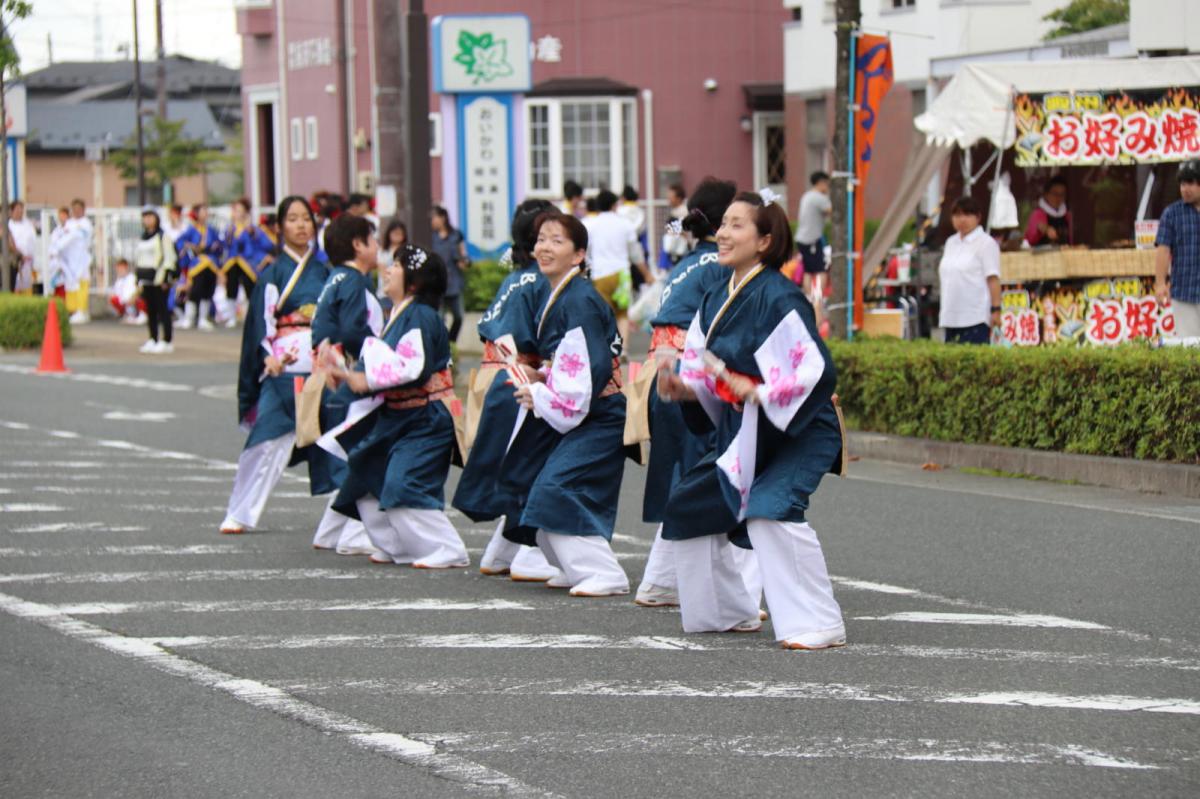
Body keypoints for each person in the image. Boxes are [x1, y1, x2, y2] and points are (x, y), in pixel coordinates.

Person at [657, 191, 846, 649]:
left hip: (801, 428)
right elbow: (704, 374)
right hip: (748, 431)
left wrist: (759, 390)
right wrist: (683, 387)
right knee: (688, 504)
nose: (722, 233)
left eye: (737, 225)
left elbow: (813, 371)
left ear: (765, 240)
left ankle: (819, 621)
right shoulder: (713, 297)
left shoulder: (780, 296)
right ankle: (729, 610)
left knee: (769, 508)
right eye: (722, 224)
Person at [635, 177, 759, 609]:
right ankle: (736, 590)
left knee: (690, 483)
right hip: (693, 379)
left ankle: (661, 582)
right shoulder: (722, 268)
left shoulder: (689, 262)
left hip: (665, 375)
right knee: (721, 482)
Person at [500, 210, 630, 597]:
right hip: (588, 408)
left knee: (557, 486)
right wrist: (542, 379)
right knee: (544, 482)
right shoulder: (565, 296)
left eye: (557, 240)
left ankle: (605, 572)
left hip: (599, 412)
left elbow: (586, 372)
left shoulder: (579, 300)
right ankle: (573, 566)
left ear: (579, 255)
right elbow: (573, 365)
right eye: (541, 239)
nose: (544, 247)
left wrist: (541, 393)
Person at [329, 244, 469, 569]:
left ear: (415, 281)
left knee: (404, 483)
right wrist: (348, 374)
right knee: (364, 477)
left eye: (396, 265)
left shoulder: (420, 315)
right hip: (398, 414)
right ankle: (399, 545)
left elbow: (411, 367)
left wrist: (364, 380)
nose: (388, 269)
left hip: (425, 416)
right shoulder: (399, 314)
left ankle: (447, 548)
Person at [453, 199, 559, 583]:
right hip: (519, 377)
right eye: (552, 233)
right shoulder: (541, 280)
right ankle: (531, 552)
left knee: (517, 465)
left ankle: (502, 550)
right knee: (533, 465)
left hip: (493, 377)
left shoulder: (514, 277)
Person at [219, 196, 332, 536]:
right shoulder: (273, 273)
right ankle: (240, 511)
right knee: (265, 440)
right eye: (293, 219)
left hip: (320, 368)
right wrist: (267, 354)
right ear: (281, 226)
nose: (301, 225)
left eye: (306, 219)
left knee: (335, 444)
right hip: (284, 369)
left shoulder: (326, 272)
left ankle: (344, 525)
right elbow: (260, 323)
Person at [309, 212, 385, 554]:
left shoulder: (334, 279)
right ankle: (356, 535)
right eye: (373, 239)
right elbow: (355, 330)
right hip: (352, 378)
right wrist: (382, 355)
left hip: (330, 376)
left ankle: (329, 531)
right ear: (358, 244)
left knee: (357, 454)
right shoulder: (355, 281)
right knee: (366, 456)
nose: (378, 246)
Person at [586, 189, 650, 343]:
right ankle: (624, 349)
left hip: (600, 274)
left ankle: (608, 349)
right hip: (622, 274)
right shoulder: (625, 224)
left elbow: (586, 251)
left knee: (603, 315)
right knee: (622, 314)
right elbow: (635, 253)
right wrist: (646, 273)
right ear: (615, 205)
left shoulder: (591, 224)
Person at [938, 196, 1001, 344]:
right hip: (951, 317)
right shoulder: (950, 243)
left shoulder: (986, 243)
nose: (962, 219)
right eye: (958, 215)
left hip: (975, 318)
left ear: (978, 217)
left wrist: (996, 310)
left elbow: (993, 279)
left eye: (967, 214)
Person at [1155, 159, 1200, 344]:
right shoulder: (1171, 214)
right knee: (1189, 347)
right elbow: (1163, 250)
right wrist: (1160, 283)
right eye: (1182, 183)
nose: (1185, 189)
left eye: (1190, 183)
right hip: (1184, 291)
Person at [134, 208, 178, 354]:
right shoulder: (143, 237)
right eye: (144, 217)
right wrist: (138, 277)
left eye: (149, 216)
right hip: (146, 279)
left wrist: (167, 277)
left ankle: (167, 340)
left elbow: (169, 257)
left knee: (163, 310)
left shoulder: (162, 236)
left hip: (159, 279)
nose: (147, 220)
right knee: (150, 311)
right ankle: (153, 338)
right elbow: (140, 258)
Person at [177, 205, 224, 330]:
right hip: (197, 263)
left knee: (208, 290)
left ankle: (203, 318)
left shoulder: (211, 230)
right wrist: (190, 246)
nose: (205, 214)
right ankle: (189, 317)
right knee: (195, 290)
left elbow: (220, 244)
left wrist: (216, 246)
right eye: (203, 211)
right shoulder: (191, 229)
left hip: (211, 263)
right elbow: (181, 242)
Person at [429, 205, 469, 343]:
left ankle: (451, 342)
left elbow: (463, 253)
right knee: (439, 318)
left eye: (434, 217)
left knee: (459, 316)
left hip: (454, 281)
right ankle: (443, 344)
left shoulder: (456, 235)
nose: (432, 221)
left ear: (443, 217)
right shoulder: (430, 237)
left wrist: (464, 262)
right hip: (437, 284)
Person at [219, 198, 259, 326]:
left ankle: (251, 316)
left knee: (249, 288)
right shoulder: (230, 228)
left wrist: (249, 229)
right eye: (236, 210)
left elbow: (256, 242)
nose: (237, 213)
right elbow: (226, 244)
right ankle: (231, 317)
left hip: (247, 262)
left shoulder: (251, 228)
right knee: (231, 287)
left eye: (240, 210)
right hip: (232, 261)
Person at [794, 171, 832, 298]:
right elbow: (832, 211)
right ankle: (818, 298)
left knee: (808, 270)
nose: (827, 188)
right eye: (827, 184)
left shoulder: (807, 196)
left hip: (802, 238)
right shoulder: (819, 198)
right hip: (812, 239)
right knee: (821, 270)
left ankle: (809, 297)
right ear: (821, 183)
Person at [63, 199, 93, 324]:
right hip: (70, 259)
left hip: (81, 259)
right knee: (71, 284)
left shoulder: (86, 223)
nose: (76, 211)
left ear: (83, 210)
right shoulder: (68, 223)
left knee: (82, 284)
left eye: (79, 209)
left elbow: (84, 238)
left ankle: (82, 310)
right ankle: (73, 310)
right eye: (74, 208)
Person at [1024, 175, 1073, 247]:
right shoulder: (1038, 214)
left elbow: (1070, 240)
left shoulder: (1067, 215)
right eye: (1055, 194)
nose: (1058, 198)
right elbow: (1031, 236)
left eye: (1062, 194)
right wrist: (1045, 229)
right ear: (1046, 194)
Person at [7, 200, 37, 294]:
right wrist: (19, 255)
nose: (20, 212)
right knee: (15, 287)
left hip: (27, 262)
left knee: (27, 287)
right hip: (14, 262)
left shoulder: (28, 224)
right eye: (17, 210)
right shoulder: (8, 225)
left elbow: (32, 242)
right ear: (11, 211)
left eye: (21, 210)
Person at [659, 182, 690, 270]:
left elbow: (684, 232)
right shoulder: (675, 211)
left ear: (679, 198)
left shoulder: (683, 212)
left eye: (671, 197)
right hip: (675, 250)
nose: (668, 199)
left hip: (680, 252)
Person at [376, 219, 408, 297]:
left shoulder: (406, 251)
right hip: (384, 292)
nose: (397, 236)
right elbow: (382, 270)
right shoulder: (382, 251)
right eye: (395, 233)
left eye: (400, 233)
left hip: (402, 293)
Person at [107, 258, 144, 323]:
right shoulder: (118, 281)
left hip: (134, 300)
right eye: (118, 268)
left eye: (121, 268)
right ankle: (127, 314)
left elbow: (140, 288)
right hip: (125, 303)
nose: (119, 270)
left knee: (139, 299)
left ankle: (140, 314)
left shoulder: (133, 277)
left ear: (125, 267)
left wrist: (134, 297)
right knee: (113, 299)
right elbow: (115, 292)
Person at [46, 207, 70, 298]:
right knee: (58, 288)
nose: (62, 217)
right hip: (57, 264)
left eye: (64, 215)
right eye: (60, 215)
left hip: (67, 264)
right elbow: (52, 247)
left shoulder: (71, 229)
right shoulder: (56, 232)